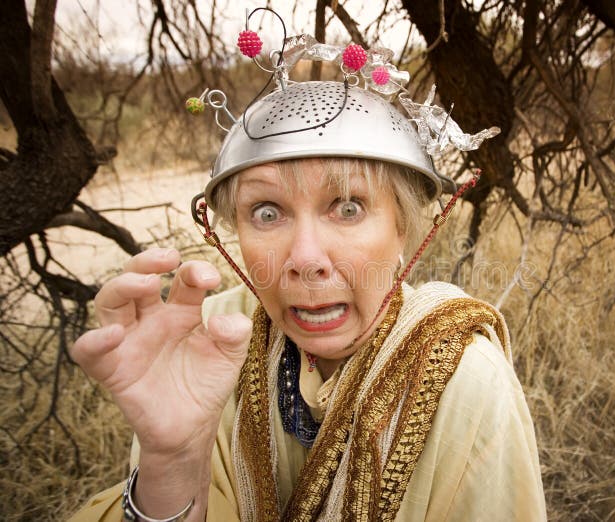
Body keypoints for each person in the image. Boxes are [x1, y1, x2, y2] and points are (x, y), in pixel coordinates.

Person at [69, 13, 546, 522]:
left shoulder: (462, 381)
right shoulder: (207, 345)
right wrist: (173, 459)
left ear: (402, 228)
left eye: (347, 207)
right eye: (267, 212)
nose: (305, 260)